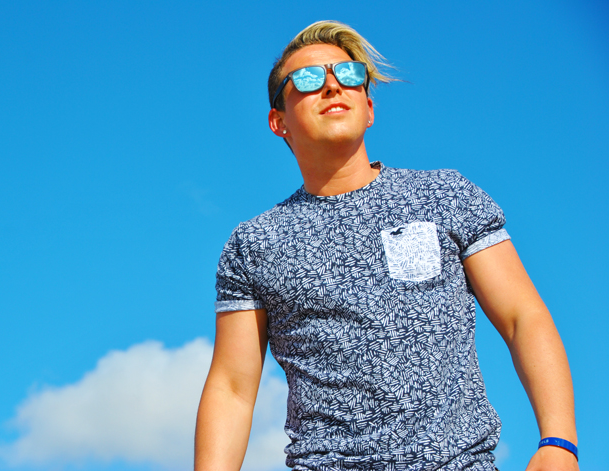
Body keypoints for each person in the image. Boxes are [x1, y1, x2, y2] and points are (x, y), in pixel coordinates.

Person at [195, 20, 578, 471]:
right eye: (308, 78)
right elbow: (233, 388)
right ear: (279, 122)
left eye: (348, 74)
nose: (332, 86)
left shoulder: (445, 195)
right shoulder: (254, 243)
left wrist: (559, 443)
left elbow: (522, 317)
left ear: (369, 108)